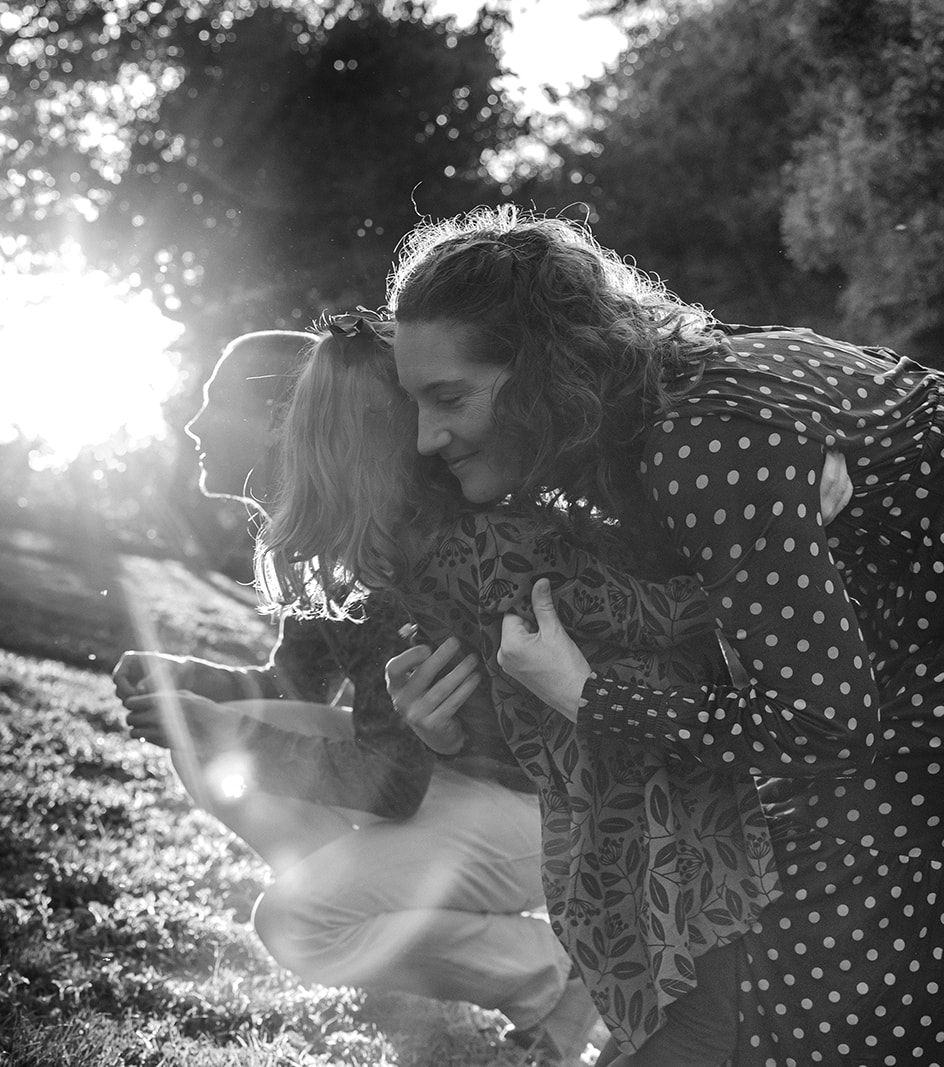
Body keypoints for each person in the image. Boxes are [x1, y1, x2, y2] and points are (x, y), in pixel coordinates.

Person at [375, 207, 944, 1064]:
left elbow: (826, 725)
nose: (427, 437)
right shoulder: (655, 420)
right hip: (895, 685)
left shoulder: (699, 440)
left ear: (543, 369)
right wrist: (458, 730)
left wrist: (588, 695)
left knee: (816, 1002)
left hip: (889, 707)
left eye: (449, 397)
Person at [114, 330, 601, 1064]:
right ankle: (379, 915)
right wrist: (191, 680)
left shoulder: (399, 562)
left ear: (295, 422)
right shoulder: (331, 537)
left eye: (215, 401)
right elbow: (294, 684)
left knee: (294, 923)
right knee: (223, 732)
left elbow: (393, 779)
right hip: (460, 785)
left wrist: (228, 734)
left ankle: (549, 972)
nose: (194, 423)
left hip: (538, 818)